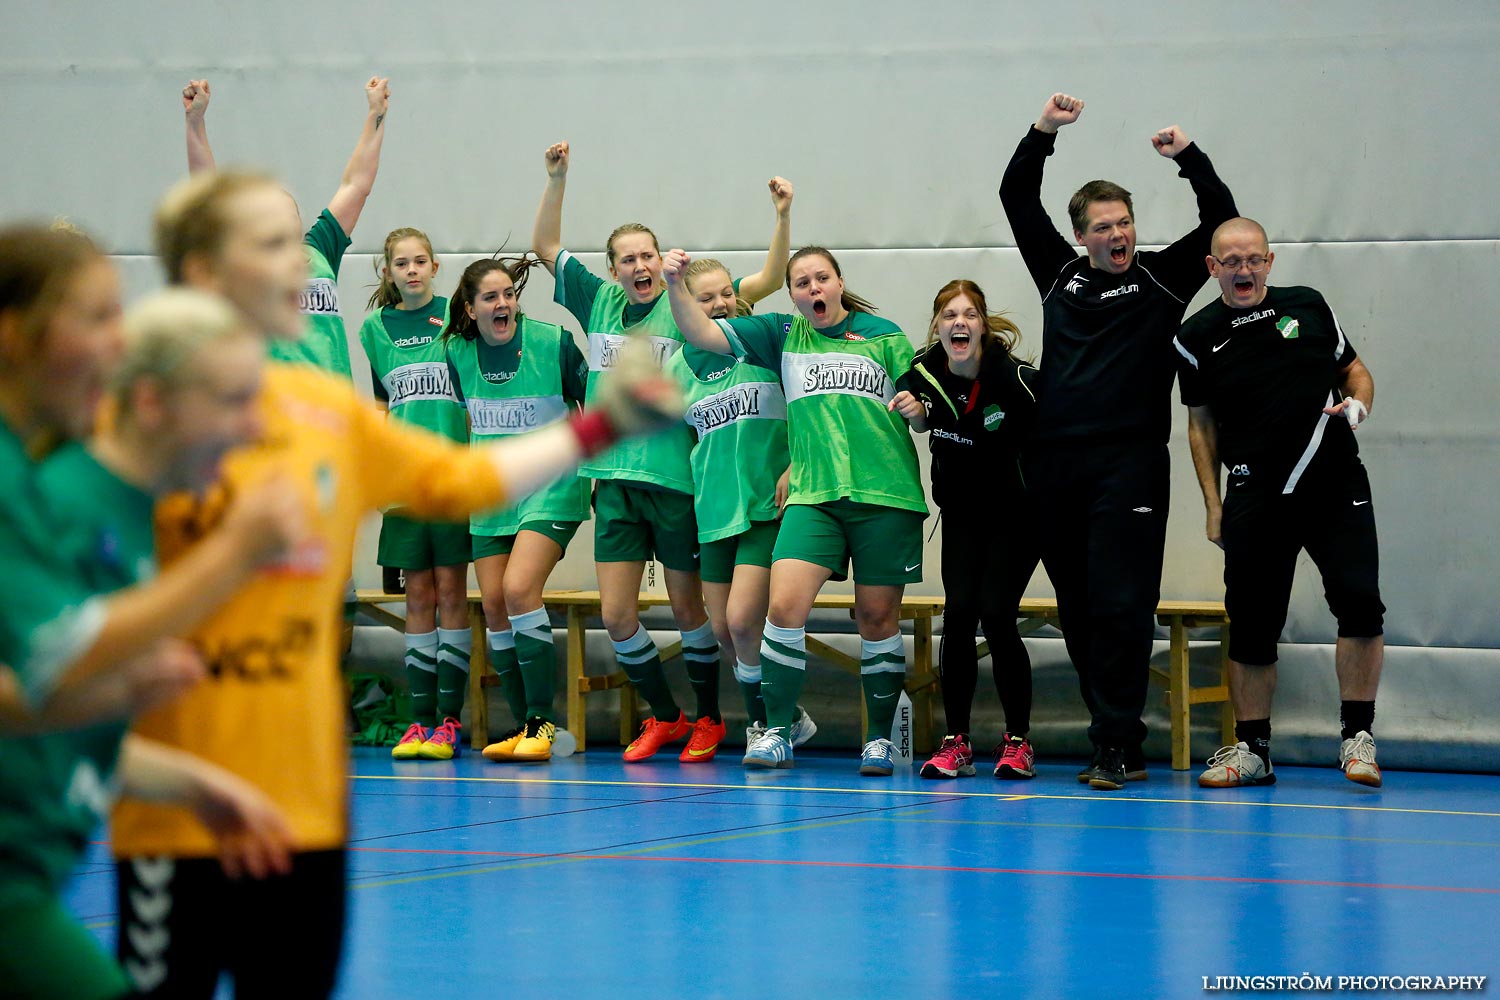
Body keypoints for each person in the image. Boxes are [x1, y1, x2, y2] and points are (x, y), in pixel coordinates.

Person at [108, 169, 684, 998]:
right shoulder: (139, 422)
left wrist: (604, 423)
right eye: (274, 247)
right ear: (203, 272)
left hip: (305, 815)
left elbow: (461, 479)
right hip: (181, 816)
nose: (304, 272)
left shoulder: (324, 412)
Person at [0, 229, 304, 1000]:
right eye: (98, 318)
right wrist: (234, 555)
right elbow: (54, 664)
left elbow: (35, 702)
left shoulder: (61, 486)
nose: (116, 342)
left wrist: (194, 784)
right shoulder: (53, 495)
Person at [998, 91, 1238, 790]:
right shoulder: (1059, 277)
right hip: (1055, 466)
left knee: (1121, 603)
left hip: (1129, 466)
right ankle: (1115, 733)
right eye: (1103, 227)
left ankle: (1116, 744)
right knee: (1076, 606)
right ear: (1082, 238)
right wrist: (1044, 130)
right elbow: (1017, 196)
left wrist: (1189, 159)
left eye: (1125, 222)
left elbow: (1220, 222)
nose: (1117, 235)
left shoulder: (1163, 277)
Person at [536, 142, 784, 762]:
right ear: (614, 269)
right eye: (628, 258)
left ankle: (708, 719)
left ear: (660, 257)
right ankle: (666, 716)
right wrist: (558, 178)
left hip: (676, 481)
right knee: (617, 614)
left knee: (687, 608)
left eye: (647, 253)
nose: (639, 264)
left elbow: (766, 283)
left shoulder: (687, 306)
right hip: (613, 484)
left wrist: (781, 217)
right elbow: (544, 248)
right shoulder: (598, 303)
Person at [665, 245, 927, 775]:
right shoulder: (781, 335)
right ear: (792, 294)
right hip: (812, 498)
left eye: (821, 278)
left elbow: (922, 413)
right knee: (782, 609)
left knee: (877, 617)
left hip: (885, 496)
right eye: (802, 282)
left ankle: (878, 739)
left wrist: (918, 410)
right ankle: (778, 731)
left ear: (838, 282)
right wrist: (674, 284)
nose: (813, 289)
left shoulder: (885, 335)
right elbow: (702, 334)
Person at [1174, 217, 1384, 789]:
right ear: (1212, 267)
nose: (1243, 270)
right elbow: (1200, 426)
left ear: (1269, 261)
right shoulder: (1195, 336)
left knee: (1360, 602)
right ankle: (1254, 750)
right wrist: (1213, 504)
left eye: (1253, 260)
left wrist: (1359, 405)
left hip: (1335, 485)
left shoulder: (1310, 306)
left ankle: (1357, 738)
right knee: (1252, 624)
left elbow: (1354, 371)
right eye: (1230, 261)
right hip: (1254, 496)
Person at [666, 241, 818, 759]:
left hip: (763, 508)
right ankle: (789, 718)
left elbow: (811, 410)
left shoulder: (762, 348)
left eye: (727, 293)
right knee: (721, 632)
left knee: (741, 621)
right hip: (712, 515)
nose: (721, 305)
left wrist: (797, 464)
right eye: (706, 299)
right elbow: (681, 445)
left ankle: (765, 727)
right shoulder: (678, 370)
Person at [891, 280, 1041, 779]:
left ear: (983, 324)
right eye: (950, 315)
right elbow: (909, 401)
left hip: (1017, 516)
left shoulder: (1014, 379)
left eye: (970, 315)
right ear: (937, 326)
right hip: (960, 516)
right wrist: (915, 416)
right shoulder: (923, 373)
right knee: (957, 619)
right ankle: (956, 741)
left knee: (996, 615)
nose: (960, 323)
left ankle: (1018, 741)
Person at [443, 255, 589, 763]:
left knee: (519, 588)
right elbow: (469, 424)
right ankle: (526, 724)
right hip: (492, 492)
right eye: (491, 297)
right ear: (470, 307)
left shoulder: (554, 342)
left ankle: (542, 724)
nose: (503, 303)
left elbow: (591, 405)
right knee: (495, 607)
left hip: (551, 486)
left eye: (509, 293)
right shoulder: (456, 354)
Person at [357, 228, 473, 761]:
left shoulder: (459, 319)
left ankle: (448, 723)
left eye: (420, 261)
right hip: (405, 489)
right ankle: (418, 722)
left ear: (434, 267)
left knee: (452, 594)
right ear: (387, 271)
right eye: (400, 263)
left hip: (450, 484)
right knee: (417, 597)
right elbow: (382, 406)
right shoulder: (374, 329)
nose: (411, 270)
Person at [183, 76, 387, 377]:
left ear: (299, 219)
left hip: (333, 404)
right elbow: (208, 198)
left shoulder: (320, 248)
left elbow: (356, 184)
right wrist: (195, 122)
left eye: (285, 210)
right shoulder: (248, 260)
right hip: (274, 405)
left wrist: (376, 113)